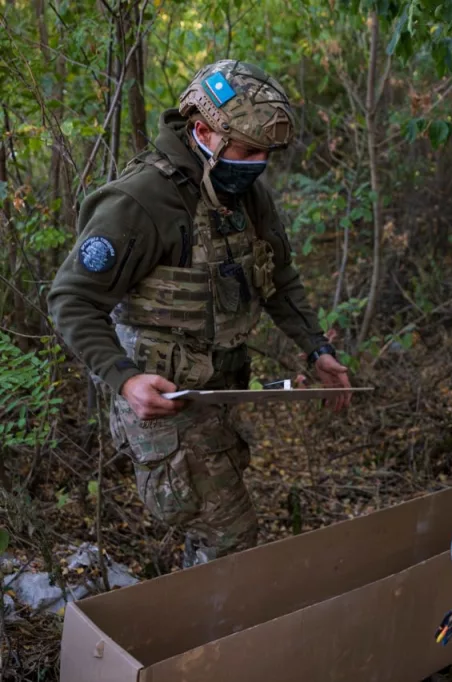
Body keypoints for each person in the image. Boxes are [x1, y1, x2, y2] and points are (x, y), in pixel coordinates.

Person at [48, 60, 352, 568]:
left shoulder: (246, 194)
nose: (259, 164)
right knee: (231, 540)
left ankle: (197, 627)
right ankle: (217, 642)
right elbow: (71, 299)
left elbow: (277, 277)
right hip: (164, 403)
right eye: (249, 151)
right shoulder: (141, 201)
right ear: (203, 131)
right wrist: (123, 380)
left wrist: (316, 348)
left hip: (217, 394)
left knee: (213, 543)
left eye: (266, 154)